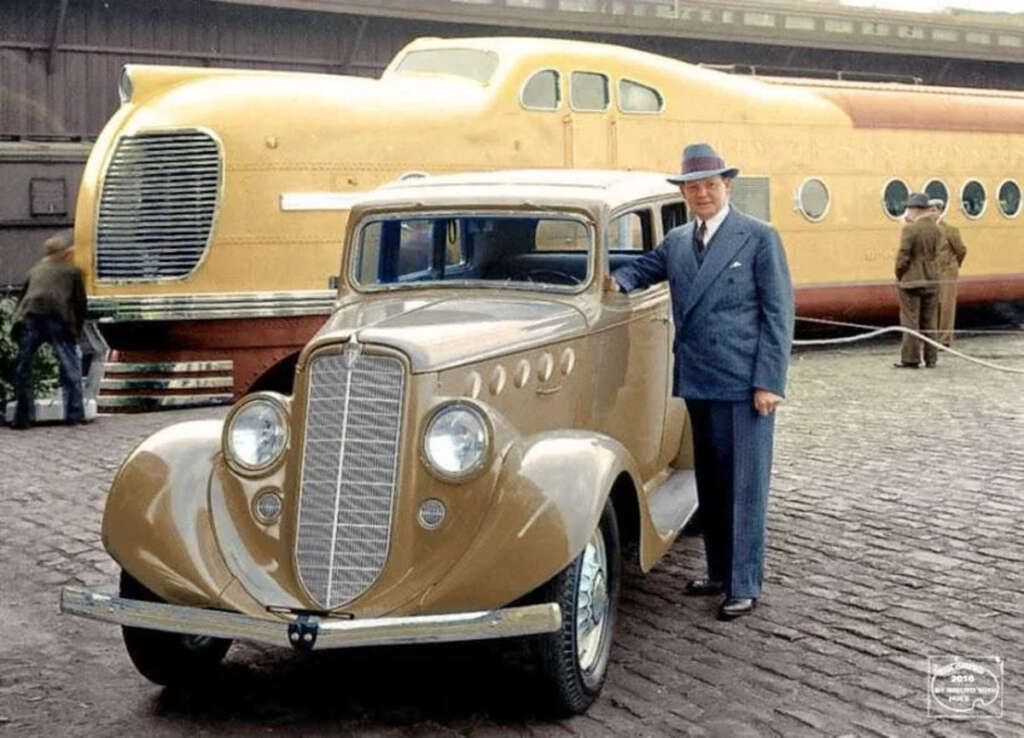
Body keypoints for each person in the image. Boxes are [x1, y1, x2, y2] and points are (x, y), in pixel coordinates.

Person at [610, 143, 794, 620]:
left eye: (711, 184)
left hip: (743, 384)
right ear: (685, 193)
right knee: (711, 485)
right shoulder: (676, 242)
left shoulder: (757, 237)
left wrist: (769, 382)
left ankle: (744, 583)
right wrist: (606, 281)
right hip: (698, 381)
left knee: (745, 486)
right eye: (694, 186)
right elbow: (640, 270)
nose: (703, 193)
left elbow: (778, 315)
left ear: (727, 186)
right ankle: (717, 572)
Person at [10, 230, 87, 429]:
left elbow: (21, 299)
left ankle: (23, 417)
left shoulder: (34, 270)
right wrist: (76, 330)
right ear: (64, 253)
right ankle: (75, 414)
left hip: (31, 317)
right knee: (70, 366)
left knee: (24, 368)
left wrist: (16, 324)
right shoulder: (72, 272)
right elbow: (80, 303)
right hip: (57, 318)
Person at [894, 193, 942, 368]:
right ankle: (932, 359)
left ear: (915, 210)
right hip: (932, 279)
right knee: (930, 321)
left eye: (909, 209)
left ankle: (911, 359)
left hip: (911, 280)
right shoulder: (937, 229)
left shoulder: (910, 229)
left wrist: (899, 274)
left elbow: (903, 256)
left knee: (910, 322)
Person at [929, 198, 967, 346]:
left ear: (940, 211)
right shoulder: (926, 230)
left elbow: (961, 250)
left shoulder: (950, 230)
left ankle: (944, 340)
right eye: (929, 210)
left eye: (934, 210)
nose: (931, 214)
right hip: (931, 273)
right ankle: (932, 338)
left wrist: (953, 266)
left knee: (946, 306)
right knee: (932, 305)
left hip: (946, 273)